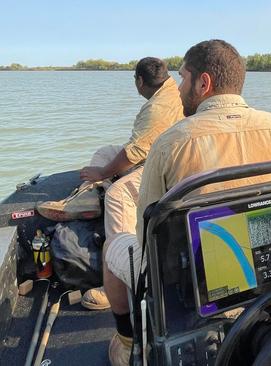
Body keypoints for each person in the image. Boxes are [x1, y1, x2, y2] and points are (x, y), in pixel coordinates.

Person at [103, 39, 271, 366]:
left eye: (183, 78)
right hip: (268, 267)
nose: (178, 89)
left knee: (114, 246)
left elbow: (146, 237)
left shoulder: (171, 143)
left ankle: (126, 345)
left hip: (193, 282)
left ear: (203, 83)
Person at [37, 57, 184, 310]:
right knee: (105, 151)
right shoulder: (171, 90)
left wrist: (102, 173)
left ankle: (120, 279)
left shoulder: (158, 107)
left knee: (118, 194)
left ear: (139, 81)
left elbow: (134, 154)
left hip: (167, 168)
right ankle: (87, 196)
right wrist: (104, 168)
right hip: (158, 154)